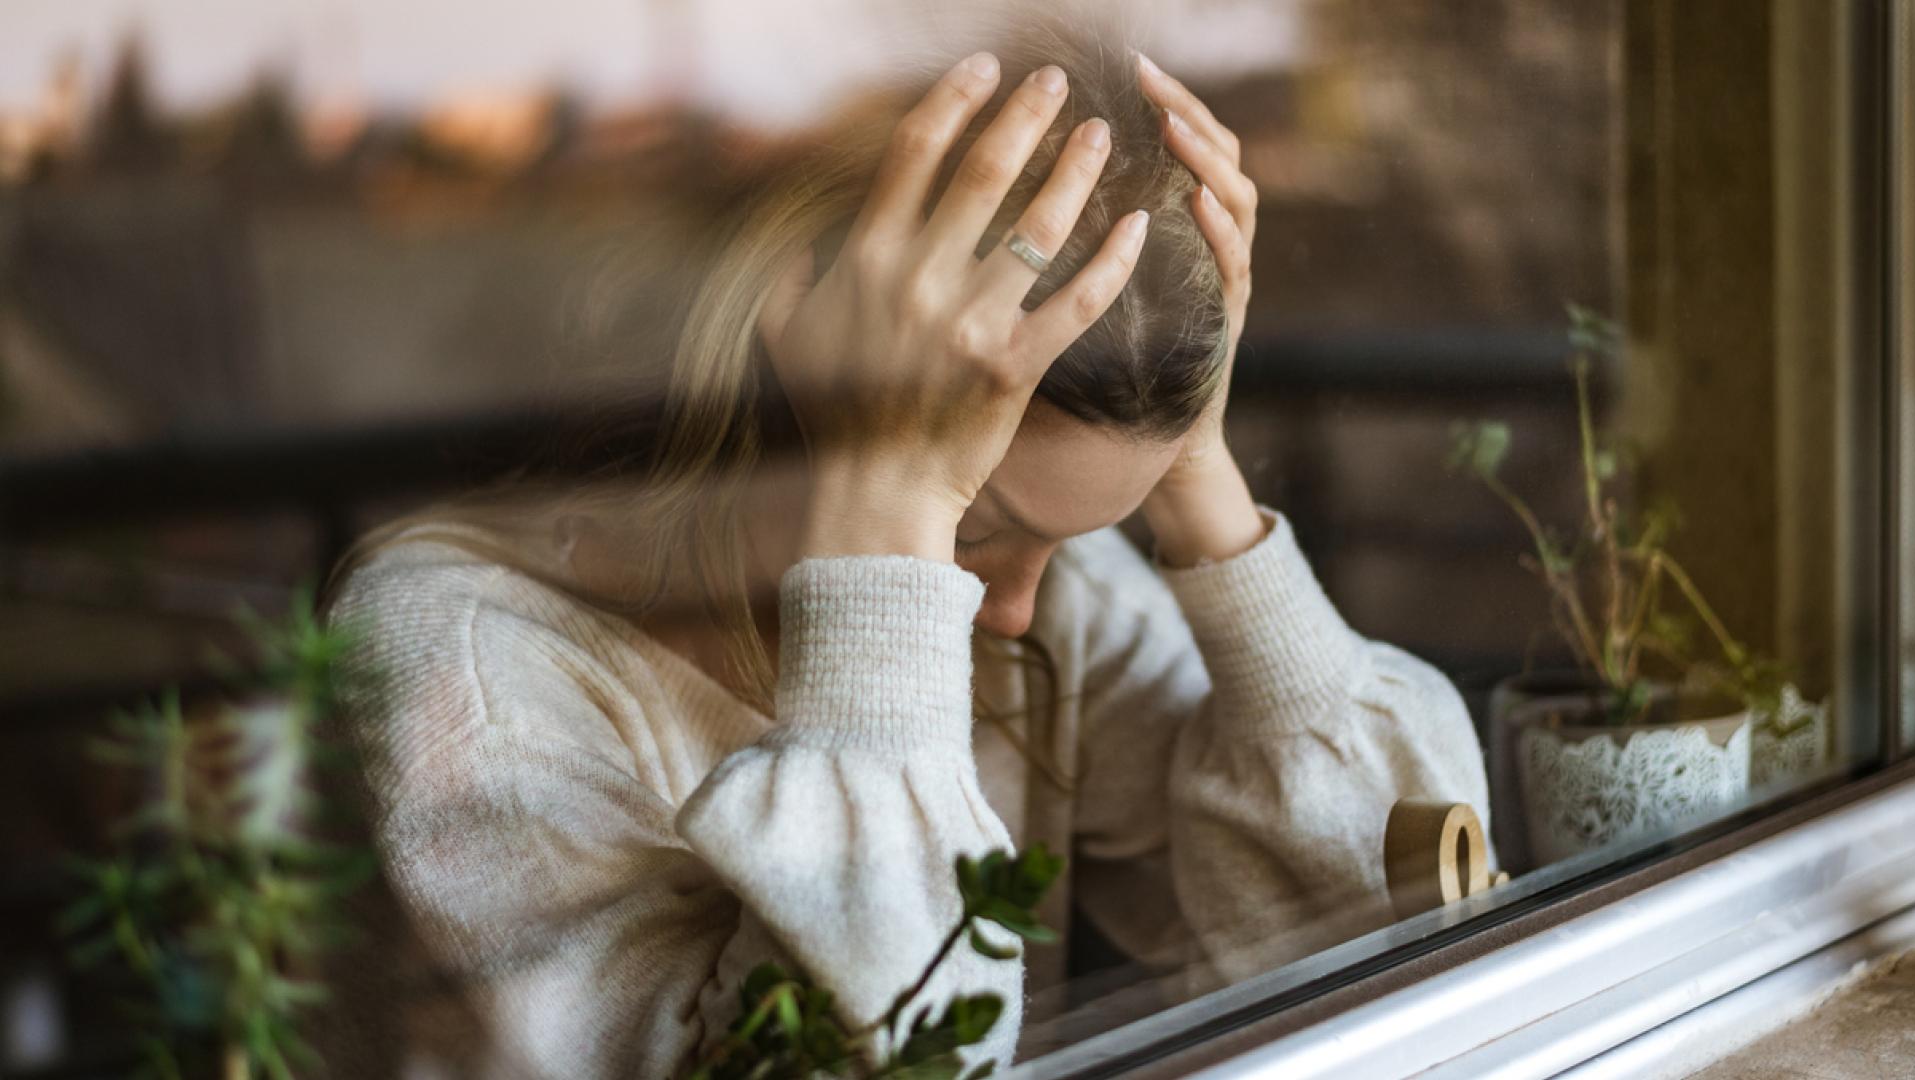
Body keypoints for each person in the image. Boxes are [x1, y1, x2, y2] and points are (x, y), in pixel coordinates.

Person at [322, 14, 1489, 1079]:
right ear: (797, 367)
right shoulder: (463, 656)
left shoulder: (1047, 593)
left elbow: (1382, 939)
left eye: (1081, 533)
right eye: (971, 527)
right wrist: (886, 525)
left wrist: (1193, 471)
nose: (1020, 610)